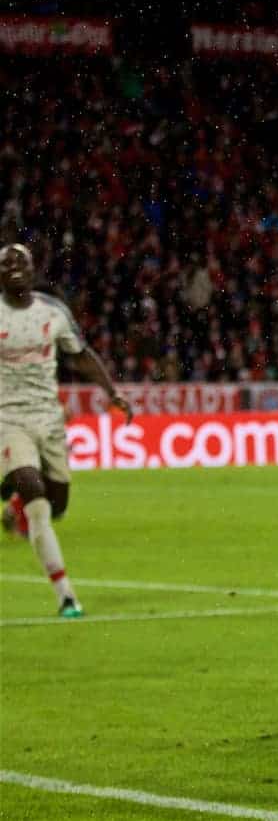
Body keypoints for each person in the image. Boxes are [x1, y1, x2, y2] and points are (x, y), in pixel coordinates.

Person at [0, 242, 132, 617]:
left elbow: (79, 355)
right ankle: (66, 596)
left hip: (49, 419)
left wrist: (111, 392)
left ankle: (12, 502)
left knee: (56, 503)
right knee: (36, 497)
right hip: (8, 420)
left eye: (20, 262)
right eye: (6, 263)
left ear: (32, 269)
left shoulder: (53, 313)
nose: (13, 268)